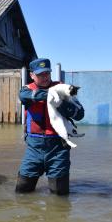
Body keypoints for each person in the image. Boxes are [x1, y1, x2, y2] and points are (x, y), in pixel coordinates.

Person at [15, 58, 84, 195]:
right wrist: (52, 95)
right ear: (32, 75)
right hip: (34, 148)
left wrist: (63, 103)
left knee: (60, 194)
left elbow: (80, 114)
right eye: (40, 74)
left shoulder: (64, 89)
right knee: (22, 190)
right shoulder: (26, 91)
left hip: (58, 148)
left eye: (47, 73)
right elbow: (24, 97)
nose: (45, 77)